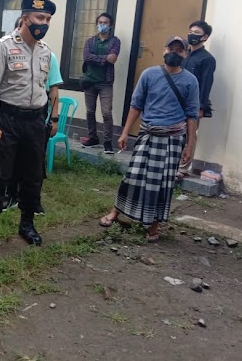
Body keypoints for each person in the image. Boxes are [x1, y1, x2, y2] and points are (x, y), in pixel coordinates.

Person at [99, 36, 199, 242]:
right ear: (164, 50)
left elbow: (192, 115)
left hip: (173, 139)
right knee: (132, 176)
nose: (175, 53)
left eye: (179, 50)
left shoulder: (191, 81)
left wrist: (190, 145)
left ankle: (153, 226)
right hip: (148, 135)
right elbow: (136, 105)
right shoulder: (149, 74)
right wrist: (125, 132)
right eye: (171, 48)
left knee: (162, 184)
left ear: (185, 54)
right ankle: (116, 213)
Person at [0, 0, 56, 255]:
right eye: (38, 18)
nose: (43, 23)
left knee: (33, 174)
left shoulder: (46, 51)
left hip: (34, 122)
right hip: (7, 120)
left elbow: (46, 87)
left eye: (47, 20)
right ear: (25, 18)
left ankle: (27, 224)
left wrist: (49, 117)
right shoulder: (2, 47)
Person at [4, 16, 62, 215]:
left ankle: (33, 201)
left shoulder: (48, 55)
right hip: (12, 117)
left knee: (35, 164)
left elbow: (53, 90)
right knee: (10, 161)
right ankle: (10, 195)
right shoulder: (7, 50)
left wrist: (54, 119)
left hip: (39, 115)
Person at [178, 20, 216, 178]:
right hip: (178, 101)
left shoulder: (207, 59)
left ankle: (182, 169)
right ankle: (172, 164)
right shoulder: (184, 55)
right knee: (177, 133)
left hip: (193, 104)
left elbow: (206, 84)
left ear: (205, 37)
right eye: (190, 31)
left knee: (190, 135)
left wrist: (200, 107)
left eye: (197, 33)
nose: (192, 35)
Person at [80, 12, 121, 154]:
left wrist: (96, 58)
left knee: (106, 113)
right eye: (100, 22)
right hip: (89, 81)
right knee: (90, 111)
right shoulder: (90, 41)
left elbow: (113, 58)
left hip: (105, 83)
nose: (102, 25)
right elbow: (87, 57)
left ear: (110, 25)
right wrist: (104, 58)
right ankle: (93, 138)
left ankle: (108, 142)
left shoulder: (115, 41)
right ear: (97, 24)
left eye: (106, 23)